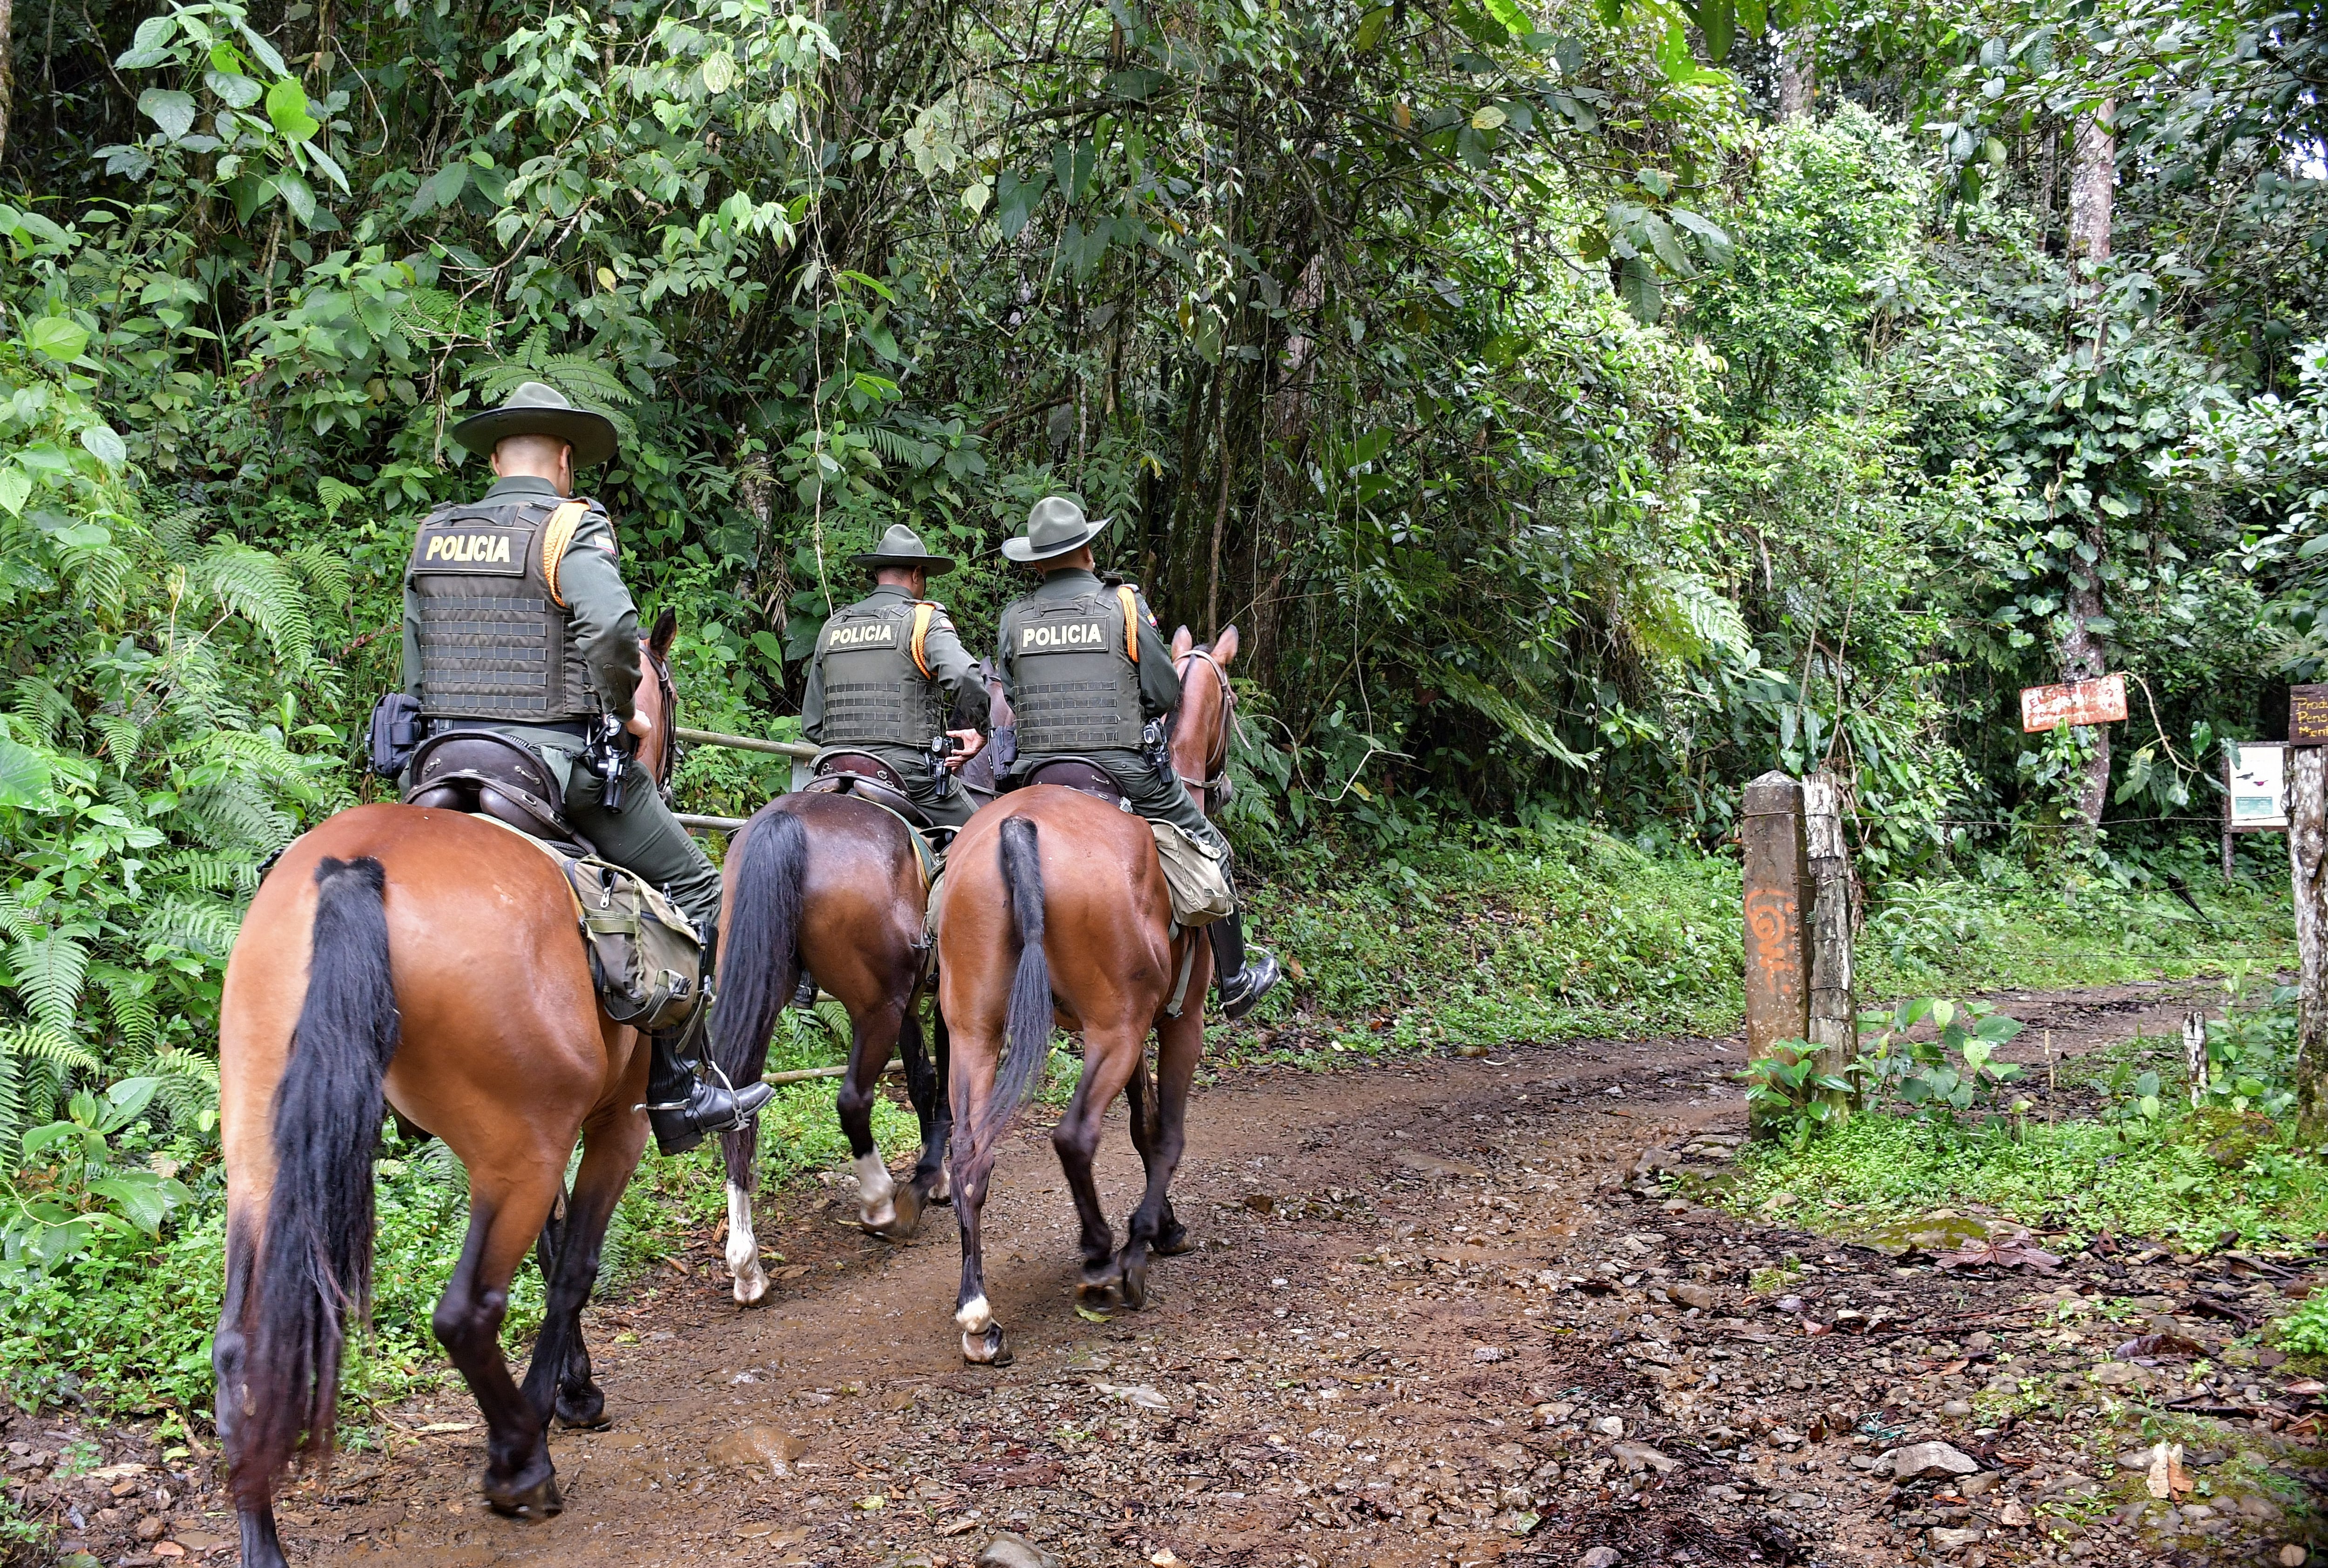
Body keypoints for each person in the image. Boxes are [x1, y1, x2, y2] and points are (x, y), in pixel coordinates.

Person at [402, 380, 771, 1154]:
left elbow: (416, 660)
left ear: (497, 457)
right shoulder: (572, 526)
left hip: (440, 762)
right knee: (700, 886)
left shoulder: (435, 531)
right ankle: (678, 1085)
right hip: (550, 763)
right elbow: (612, 629)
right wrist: (618, 710)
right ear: (565, 461)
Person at [994, 495, 1281, 1018]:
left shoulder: (1015, 616)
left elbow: (1012, 696)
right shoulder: (1124, 604)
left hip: (1033, 773)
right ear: (1087, 549)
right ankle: (1236, 981)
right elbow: (1165, 692)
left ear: (1035, 561)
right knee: (1210, 843)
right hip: (1118, 770)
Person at [799, 522, 988, 828]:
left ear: (877, 573)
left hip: (834, 772)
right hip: (906, 776)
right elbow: (965, 677)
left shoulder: (834, 626)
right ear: (916, 574)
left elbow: (812, 725)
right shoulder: (924, 620)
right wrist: (982, 727)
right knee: (985, 837)